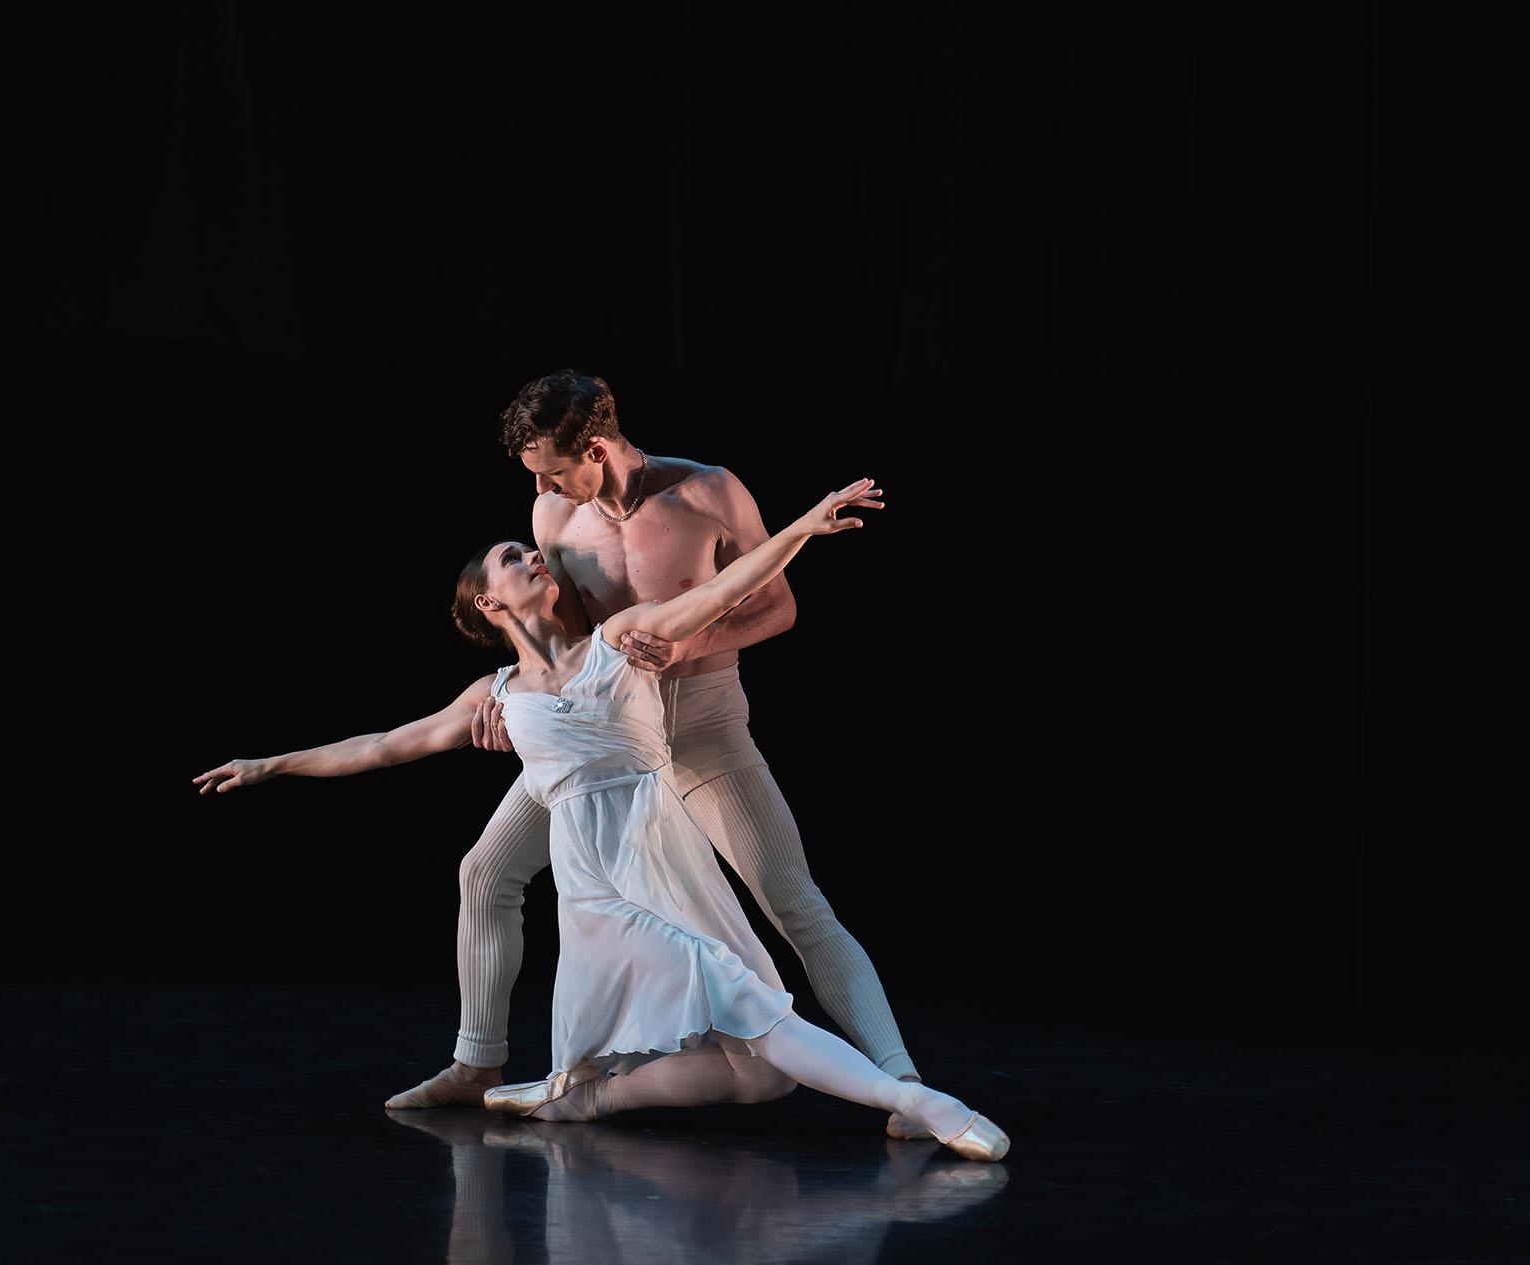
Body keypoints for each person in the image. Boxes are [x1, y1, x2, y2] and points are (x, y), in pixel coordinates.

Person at [193, 479, 1009, 1162]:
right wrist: (272, 764)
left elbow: (721, 594)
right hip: (600, 889)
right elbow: (381, 745)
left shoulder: (619, 638)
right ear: (489, 600)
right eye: (514, 557)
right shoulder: (495, 697)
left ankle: (580, 1099)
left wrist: (800, 526)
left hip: (670, 863)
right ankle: (923, 1102)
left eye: (531, 548)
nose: (535, 555)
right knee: (737, 997)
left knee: (762, 1074)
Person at [415, 370, 930, 1139]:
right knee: (484, 872)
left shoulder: (707, 493)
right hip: (610, 737)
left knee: (792, 900)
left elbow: (778, 606)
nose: (544, 489)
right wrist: (504, 700)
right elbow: (554, 638)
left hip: (701, 724)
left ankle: (903, 1084)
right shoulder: (554, 515)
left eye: (555, 471)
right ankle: (476, 1064)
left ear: (596, 448)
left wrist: (691, 643)